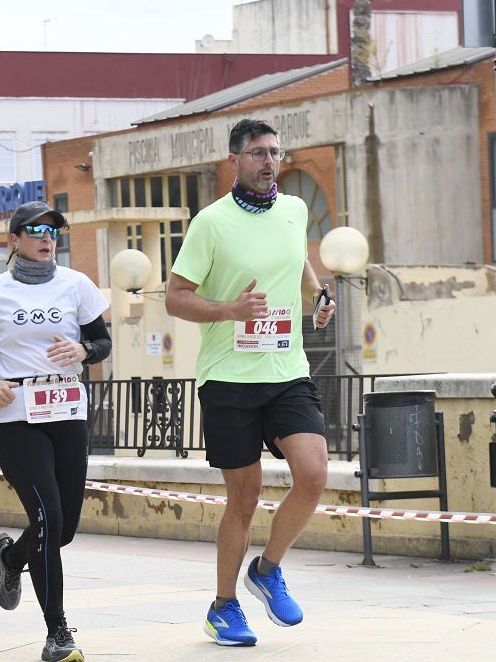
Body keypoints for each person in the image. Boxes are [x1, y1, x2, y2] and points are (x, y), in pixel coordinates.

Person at [165, 119, 336, 647]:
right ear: (235, 160)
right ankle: (224, 607)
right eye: (258, 153)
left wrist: (318, 293)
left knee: (313, 474)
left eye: (275, 152)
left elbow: (298, 257)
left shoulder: (294, 209)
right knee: (244, 497)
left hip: (287, 371)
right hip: (229, 379)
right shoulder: (210, 223)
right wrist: (230, 310)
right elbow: (175, 297)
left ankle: (266, 570)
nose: (269, 161)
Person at [0, 202, 110, 662]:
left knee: (62, 531)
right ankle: (57, 633)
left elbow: (101, 342)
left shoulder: (76, 285)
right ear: (14, 239)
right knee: (46, 519)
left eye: (54, 231)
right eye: (38, 230)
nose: (48, 238)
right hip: (17, 418)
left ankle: (11, 558)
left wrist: (82, 350)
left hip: (67, 412)